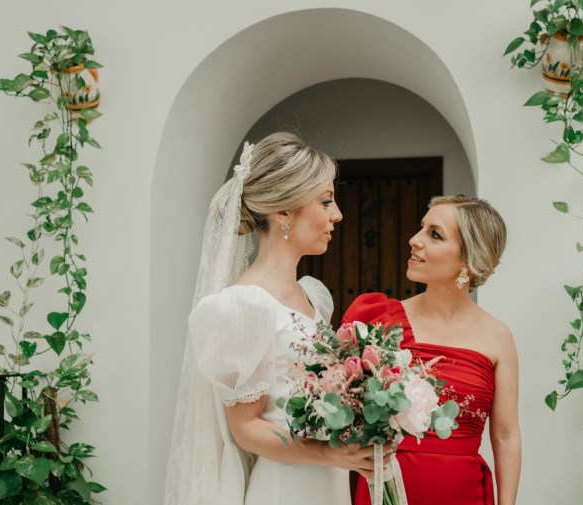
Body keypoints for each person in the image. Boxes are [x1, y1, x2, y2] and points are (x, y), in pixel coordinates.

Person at [163, 132, 382, 505]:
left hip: (327, 486)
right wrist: (331, 453)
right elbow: (246, 428)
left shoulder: (313, 296)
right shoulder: (244, 305)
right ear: (283, 212)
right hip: (284, 489)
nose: (337, 214)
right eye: (326, 201)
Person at [344, 195, 521, 505]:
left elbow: (506, 436)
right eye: (421, 228)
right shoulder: (377, 318)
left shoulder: (497, 337)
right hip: (389, 488)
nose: (415, 240)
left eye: (434, 234)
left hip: (463, 493)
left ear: (468, 258)